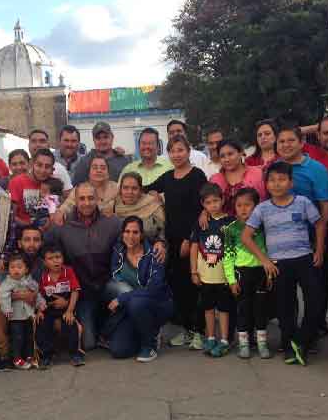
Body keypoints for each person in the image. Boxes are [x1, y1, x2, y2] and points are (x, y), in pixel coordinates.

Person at [243, 162, 323, 366]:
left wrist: (320, 250)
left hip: (304, 258)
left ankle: (301, 340)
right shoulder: (262, 209)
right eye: (271, 180)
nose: (276, 184)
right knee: (285, 308)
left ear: (291, 182)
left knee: (315, 302)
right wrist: (265, 260)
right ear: (266, 184)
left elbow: (319, 224)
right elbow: (246, 237)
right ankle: (290, 346)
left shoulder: (302, 202)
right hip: (279, 264)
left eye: (281, 179)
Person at [145, 135, 208, 350]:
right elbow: (147, 187)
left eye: (180, 150)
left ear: (188, 151)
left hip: (191, 239)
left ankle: (201, 332)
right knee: (179, 287)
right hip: (171, 238)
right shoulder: (169, 176)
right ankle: (187, 330)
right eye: (172, 151)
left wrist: (190, 239)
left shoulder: (197, 175)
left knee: (195, 286)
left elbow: (204, 206)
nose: (177, 155)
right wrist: (154, 194)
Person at [45, 183, 122, 352]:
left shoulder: (112, 222)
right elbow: (44, 250)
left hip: (106, 283)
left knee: (127, 294)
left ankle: (106, 331)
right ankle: (95, 329)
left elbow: (134, 232)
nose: (86, 203)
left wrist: (160, 242)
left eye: (90, 198)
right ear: (75, 201)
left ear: (97, 200)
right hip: (82, 292)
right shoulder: (62, 225)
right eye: (82, 198)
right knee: (88, 344)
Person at [277, 125, 328, 341]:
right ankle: (289, 335)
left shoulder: (316, 169)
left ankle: (313, 331)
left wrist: (321, 243)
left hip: (310, 240)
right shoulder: (274, 168)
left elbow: (324, 207)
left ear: (302, 143)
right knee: (286, 293)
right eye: (281, 141)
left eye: (291, 140)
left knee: (314, 292)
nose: (286, 145)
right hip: (281, 242)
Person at [106, 216, 174, 362]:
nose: (131, 236)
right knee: (119, 350)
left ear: (142, 234)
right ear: (122, 233)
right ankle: (145, 332)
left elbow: (154, 289)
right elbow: (115, 278)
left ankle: (149, 345)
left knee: (136, 303)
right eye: (127, 231)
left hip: (157, 303)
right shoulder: (118, 250)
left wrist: (123, 298)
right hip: (131, 305)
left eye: (135, 232)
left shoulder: (154, 253)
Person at [223, 188, 270, 359]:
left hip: (261, 273)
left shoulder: (263, 227)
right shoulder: (231, 229)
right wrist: (231, 280)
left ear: (256, 207)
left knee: (260, 310)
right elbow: (227, 257)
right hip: (241, 274)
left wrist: (269, 273)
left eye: (248, 205)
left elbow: (269, 251)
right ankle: (244, 344)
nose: (243, 209)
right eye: (239, 205)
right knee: (243, 310)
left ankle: (262, 343)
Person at [0, 226, 45, 363]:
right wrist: (19, 296)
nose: (31, 244)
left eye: (36, 240)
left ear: (41, 243)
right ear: (19, 243)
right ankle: (5, 354)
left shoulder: (44, 264)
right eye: (27, 240)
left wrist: (35, 296)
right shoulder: (10, 264)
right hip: (12, 307)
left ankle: (35, 351)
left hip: (35, 306)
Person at [190, 183, 234, 357]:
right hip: (205, 275)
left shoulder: (231, 222)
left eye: (216, 201)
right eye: (208, 202)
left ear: (223, 200)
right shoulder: (201, 222)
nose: (213, 205)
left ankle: (224, 340)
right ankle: (210, 337)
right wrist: (193, 271)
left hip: (223, 276)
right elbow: (194, 247)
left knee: (223, 309)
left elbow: (233, 249)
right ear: (203, 204)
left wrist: (232, 276)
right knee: (208, 308)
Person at [36, 244, 84, 367]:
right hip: (49, 308)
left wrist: (69, 311)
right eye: (51, 258)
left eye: (58, 257)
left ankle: (75, 354)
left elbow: (75, 291)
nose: (55, 261)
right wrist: (40, 310)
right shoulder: (43, 276)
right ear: (45, 262)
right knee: (42, 324)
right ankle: (47, 355)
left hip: (66, 307)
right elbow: (39, 295)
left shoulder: (69, 271)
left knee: (70, 323)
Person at [0, 254, 40, 370]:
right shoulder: (8, 283)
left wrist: (40, 303)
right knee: (18, 337)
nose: (16, 270)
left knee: (29, 336)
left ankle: (29, 356)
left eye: (19, 267)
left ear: (26, 269)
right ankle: (17, 358)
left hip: (28, 314)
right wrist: (6, 309)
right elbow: (3, 295)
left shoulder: (29, 280)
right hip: (15, 316)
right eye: (12, 267)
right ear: (8, 270)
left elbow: (36, 291)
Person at [210, 139, 267, 216]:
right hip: (223, 226)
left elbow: (266, 201)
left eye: (230, 154)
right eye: (222, 156)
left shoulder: (257, 174)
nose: (227, 159)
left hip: (255, 224)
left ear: (240, 153)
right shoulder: (214, 180)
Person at [55, 155, 119, 222]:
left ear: (108, 173)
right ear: (89, 172)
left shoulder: (116, 188)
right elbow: (67, 206)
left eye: (103, 168)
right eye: (95, 168)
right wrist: (60, 212)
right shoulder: (80, 189)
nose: (99, 170)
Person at [8, 148, 58, 229]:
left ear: (52, 169)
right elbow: (10, 215)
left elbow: (56, 210)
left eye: (47, 167)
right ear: (32, 164)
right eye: (39, 165)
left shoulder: (54, 184)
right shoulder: (17, 182)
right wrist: (28, 225)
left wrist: (51, 220)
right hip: (23, 231)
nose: (43, 170)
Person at [111, 172, 166, 244]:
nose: (130, 192)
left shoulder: (152, 204)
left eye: (134, 188)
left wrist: (160, 243)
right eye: (125, 188)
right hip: (119, 251)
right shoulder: (114, 206)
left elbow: (164, 231)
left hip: (151, 251)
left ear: (140, 190)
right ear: (120, 190)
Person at [28, 129, 73, 197]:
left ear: (48, 145)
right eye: (33, 141)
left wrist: (60, 207)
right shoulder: (22, 166)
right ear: (28, 145)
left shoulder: (59, 169)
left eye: (42, 141)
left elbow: (69, 196)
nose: (38, 144)